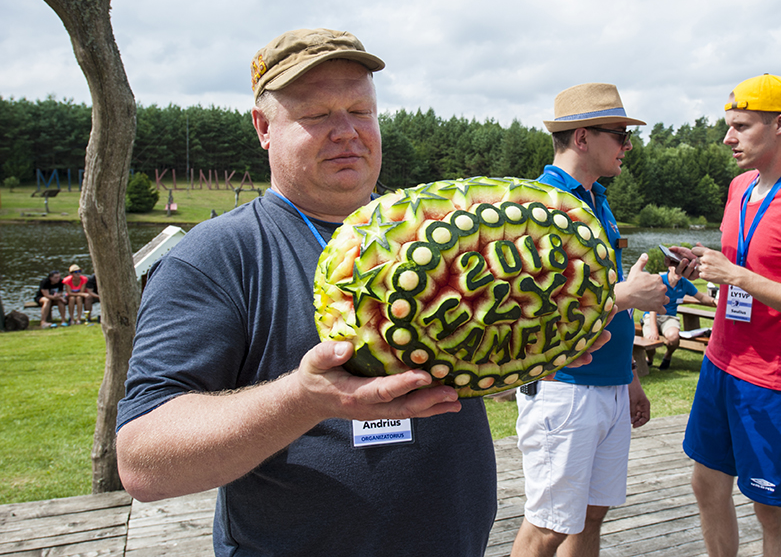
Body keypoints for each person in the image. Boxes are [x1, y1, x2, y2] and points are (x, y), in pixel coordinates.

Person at [115, 28, 607, 557]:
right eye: (317, 114)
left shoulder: (440, 230)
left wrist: (521, 356)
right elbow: (144, 462)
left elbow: (453, 377)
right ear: (263, 126)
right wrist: (305, 400)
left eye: (360, 110)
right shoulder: (219, 256)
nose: (346, 131)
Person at [670, 74, 781, 557]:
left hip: (772, 379)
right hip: (721, 361)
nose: (728, 138)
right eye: (729, 126)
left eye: (741, 127)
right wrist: (707, 263)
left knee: (770, 508)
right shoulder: (739, 187)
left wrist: (740, 277)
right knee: (706, 485)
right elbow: (744, 263)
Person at [511, 83, 670, 557]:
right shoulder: (542, 205)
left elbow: (597, 293)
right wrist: (625, 295)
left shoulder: (595, 198)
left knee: (589, 518)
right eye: (620, 135)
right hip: (565, 388)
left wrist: (628, 379)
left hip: (607, 385)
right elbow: (533, 308)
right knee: (548, 527)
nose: (627, 146)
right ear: (582, 138)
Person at [641, 262, 717, 369]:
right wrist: (654, 330)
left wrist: (715, 301)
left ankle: (668, 356)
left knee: (674, 337)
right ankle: (650, 358)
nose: (679, 271)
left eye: (682, 268)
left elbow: (702, 298)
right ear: (669, 267)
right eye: (676, 267)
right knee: (650, 340)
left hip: (669, 317)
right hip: (652, 315)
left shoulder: (684, 283)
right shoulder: (659, 280)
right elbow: (652, 308)